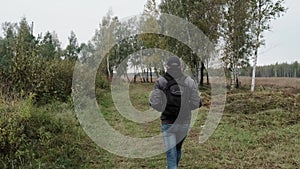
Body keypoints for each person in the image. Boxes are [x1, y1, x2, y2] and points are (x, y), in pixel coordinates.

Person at [150, 56, 201, 169]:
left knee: (171, 154)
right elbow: (196, 102)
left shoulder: (161, 81)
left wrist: (164, 109)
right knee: (177, 149)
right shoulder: (189, 81)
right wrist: (185, 109)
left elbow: (154, 102)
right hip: (184, 123)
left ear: (167, 66)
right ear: (180, 66)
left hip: (168, 122)